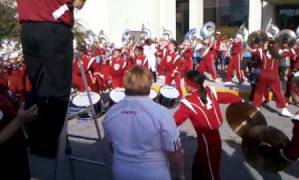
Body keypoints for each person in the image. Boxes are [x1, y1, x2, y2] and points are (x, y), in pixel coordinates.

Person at [16, 0, 87, 158]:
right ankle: (49, 142)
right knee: (57, 88)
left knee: (38, 85)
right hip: (52, 26)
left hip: (27, 28)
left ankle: (35, 138)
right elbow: (79, 3)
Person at [103, 66, 185, 180]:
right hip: (154, 173)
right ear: (149, 83)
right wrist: (179, 174)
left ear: (126, 82)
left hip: (121, 171)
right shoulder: (161, 113)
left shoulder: (111, 112)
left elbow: (111, 145)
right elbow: (174, 150)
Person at [174, 70, 242, 180]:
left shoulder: (189, 103)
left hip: (206, 141)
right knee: (199, 167)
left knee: (211, 173)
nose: (184, 84)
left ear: (191, 86)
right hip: (214, 137)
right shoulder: (211, 91)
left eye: (185, 83)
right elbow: (228, 96)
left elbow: (175, 121)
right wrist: (241, 101)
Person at [0, 84, 37, 180]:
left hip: (19, 160)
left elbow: (16, 115)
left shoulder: (3, 89)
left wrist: (27, 115)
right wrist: (19, 120)